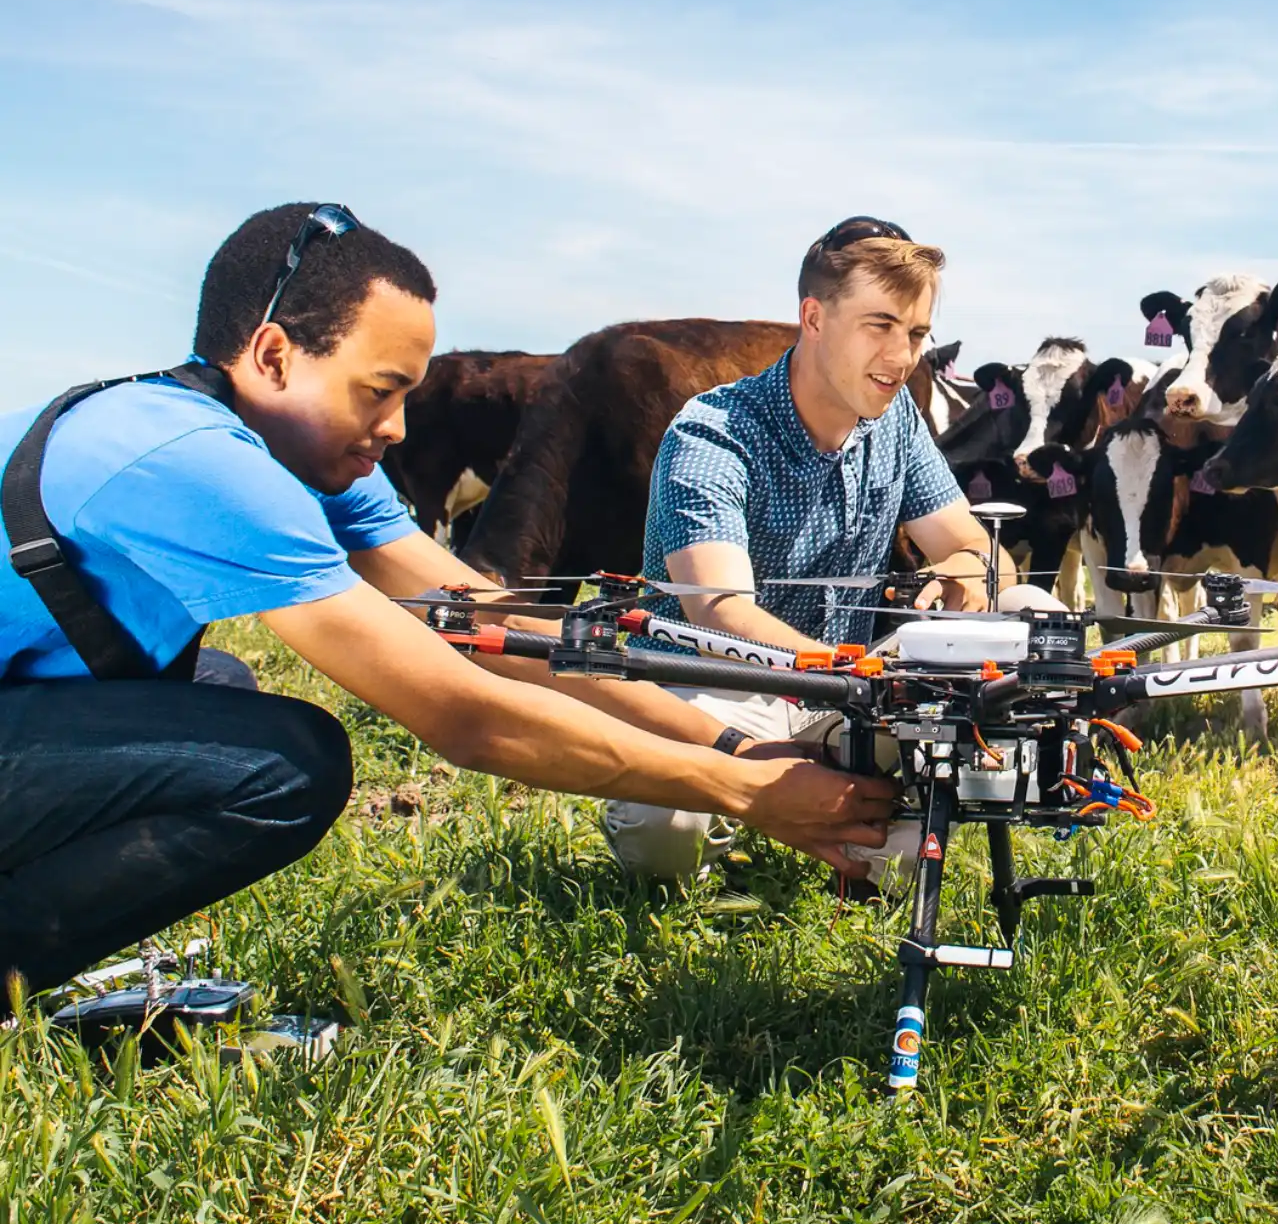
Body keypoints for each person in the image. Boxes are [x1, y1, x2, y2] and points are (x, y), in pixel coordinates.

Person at [0, 203, 893, 999]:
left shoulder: (297, 455)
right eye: (379, 391)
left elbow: (481, 619)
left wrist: (735, 739)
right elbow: (463, 716)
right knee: (287, 763)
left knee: (221, 694)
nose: (395, 429)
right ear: (274, 357)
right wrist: (743, 792)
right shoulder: (194, 460)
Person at [602, 217, 1013, 881]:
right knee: (663, 838)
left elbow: (976, 547)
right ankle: (747, 811)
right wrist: (863, 676)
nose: (901, 357)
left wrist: (963, 575)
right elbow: (720, 614)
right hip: (715, 687)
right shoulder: (714, 432)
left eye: (915, 334)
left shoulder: (898, 422)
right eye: (878, 326)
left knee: (1021, 608)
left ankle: (850, 814)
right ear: (814, 319)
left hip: (847, 695)